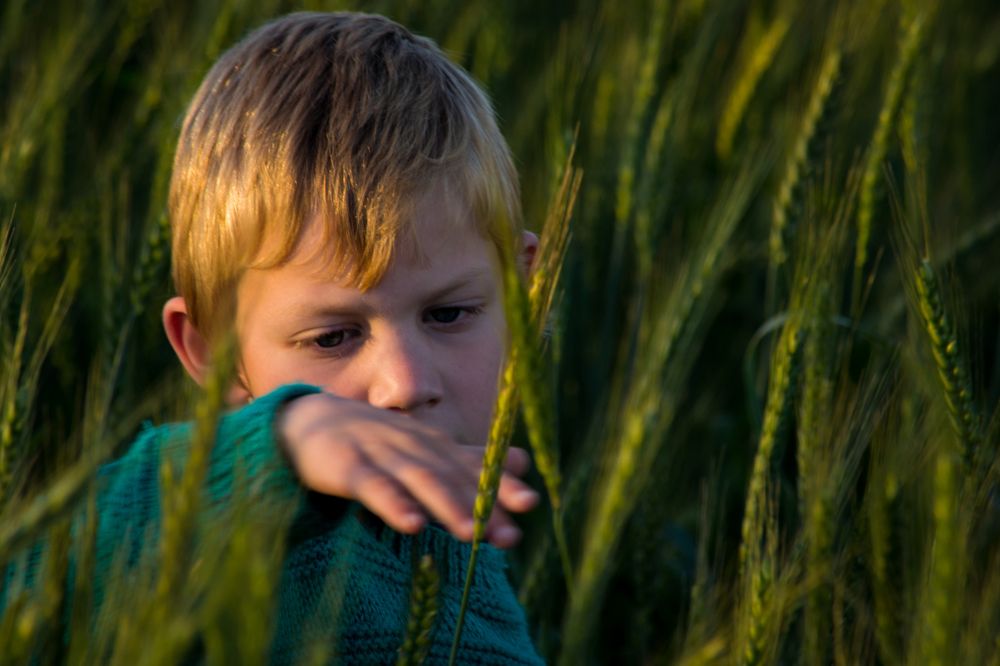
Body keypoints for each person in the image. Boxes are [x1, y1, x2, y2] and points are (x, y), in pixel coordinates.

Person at [99, 11, 546, 665]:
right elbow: (42, 570)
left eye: (448, 315)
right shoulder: (233, 543)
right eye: (333, 337)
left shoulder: (482, 564)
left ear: (523, 292)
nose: (406, 384)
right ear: (213, 355)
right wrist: (267, 446)